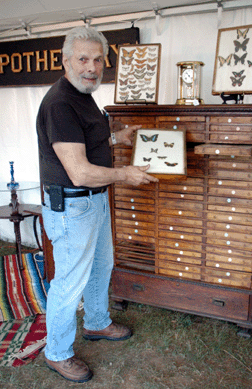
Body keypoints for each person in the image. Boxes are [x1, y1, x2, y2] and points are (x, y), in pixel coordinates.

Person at [36, 26, 158, 383]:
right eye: (83, 59)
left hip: (93, 202)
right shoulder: (59, 103)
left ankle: (97, 323)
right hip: (74, 205)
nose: (91, 67)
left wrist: (115, 136)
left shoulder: (82, 95)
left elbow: (85, 138)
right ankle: (57, 352)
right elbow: (79, 171)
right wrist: (125, 174)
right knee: (69, 283)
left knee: (101, 266)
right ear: (65, 61)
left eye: (97, 59)